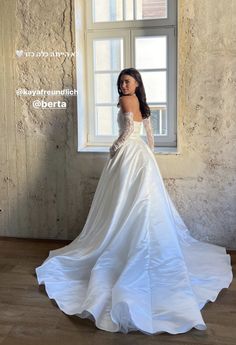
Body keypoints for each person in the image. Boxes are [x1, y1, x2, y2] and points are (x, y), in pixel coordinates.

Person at [35, 67, 233, 335]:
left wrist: (114, 149)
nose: (123, 86)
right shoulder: (142, 102)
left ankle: (124, 239)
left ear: (137, 83)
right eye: (120, 82)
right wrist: (148, 155)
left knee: (124, 201)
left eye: (127, 81)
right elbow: (148, 134)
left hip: (129, 153)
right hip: (141, 155)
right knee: (142, 201)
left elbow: (128, 131)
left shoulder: (128, 101)